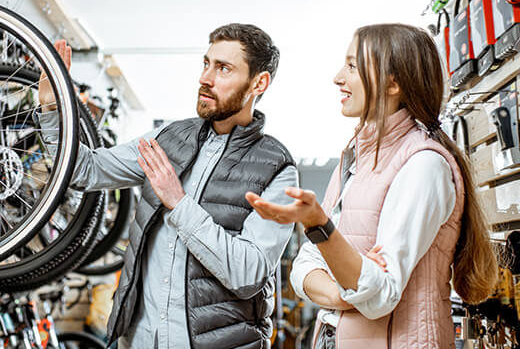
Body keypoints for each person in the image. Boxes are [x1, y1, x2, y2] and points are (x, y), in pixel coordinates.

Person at [37, 23, 298, 349]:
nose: (206, 78)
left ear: (259, 82)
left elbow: (248, 275)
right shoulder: (167, 139)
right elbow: (85, 170)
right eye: (206, 63)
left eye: (224, 68)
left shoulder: (277, 169)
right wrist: (52, 108)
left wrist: (179, 202)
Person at [246, 23, 498, 349]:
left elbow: (380, 296)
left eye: (352, 66)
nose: (338, 77)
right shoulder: (356, 158)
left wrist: (319, 226)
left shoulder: (423, 166)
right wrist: (345, 292)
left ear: (392, 83)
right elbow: (304, 269)